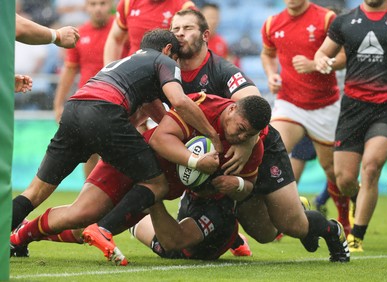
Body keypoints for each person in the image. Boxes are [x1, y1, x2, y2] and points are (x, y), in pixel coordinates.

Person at [83, 9, 350, 263]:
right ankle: (231, 233)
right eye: (175, 29)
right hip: (211, 155)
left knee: (284, 227)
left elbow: (255, 105)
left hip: (258, 149)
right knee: (208, 239)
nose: (180, 34)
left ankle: (330, 230)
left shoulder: (222, 70)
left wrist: (248, 142)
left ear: (205, 35)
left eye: (187, 28)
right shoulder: (163, 70)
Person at [11, 94, 270, 265]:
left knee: (81, 231)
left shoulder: (251, 144)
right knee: (81, 213)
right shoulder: (202, 105)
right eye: (241, 129)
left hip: (152, 191)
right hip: (133, 161)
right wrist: (195, 161)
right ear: (233, 109)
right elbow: (159, 139)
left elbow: (247, 187)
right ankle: (19, 235)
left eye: (251, 134)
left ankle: (22, 235)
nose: (241, 137)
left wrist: (235, 185)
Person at [10, 29, 222, 235]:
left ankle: (11, 237)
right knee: (157, 183)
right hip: (104, 112)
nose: (176, 64)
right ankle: (102, 230)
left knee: (34, 193)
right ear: (168, 49)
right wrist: (212, 134)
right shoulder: (163, 60)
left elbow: (156, 111)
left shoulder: (128, 62)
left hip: (74, 109)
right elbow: (180, 102)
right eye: (176, 59)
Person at [259, 0, 351, 236]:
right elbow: (267, 54)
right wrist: (271, 75)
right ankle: (282, 220)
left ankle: (343, 220)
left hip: (325, 105)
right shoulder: (272, 24)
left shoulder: (326, 19)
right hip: (289, 104)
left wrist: (315, 64)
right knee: (266, 151)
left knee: (332, 170)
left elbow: (343, 56)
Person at [314, 0, 387, 252]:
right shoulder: (344, 21)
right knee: (345, 179)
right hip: (353, 108)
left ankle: (357, 236)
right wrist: (320, 61)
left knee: (371, 167)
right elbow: (322, 52)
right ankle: (359, 197)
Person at [53, 0, 117, 177]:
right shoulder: (79, 34)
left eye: (103, 3)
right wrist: (58, 104)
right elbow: (70, 69)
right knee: (90, 153)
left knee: (118, 152)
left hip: (119, 100)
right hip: (88, 103)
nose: (98, 8)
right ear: (86, 7)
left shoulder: (120, 29)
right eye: (93, 4)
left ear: (110, 5)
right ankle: (89, 196)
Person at [103, 0, 196, 64]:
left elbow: (192, 49)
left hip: (166, 77)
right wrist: (108, 74)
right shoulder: (129, 2)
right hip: (133, 75)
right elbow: (115, 39)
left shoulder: (185, 8)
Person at [291, 136, 330, 217]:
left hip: (329, 127)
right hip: (305, 126)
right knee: (296, 163)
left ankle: (321, 199)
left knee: (337, 171)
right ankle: (285, 207)